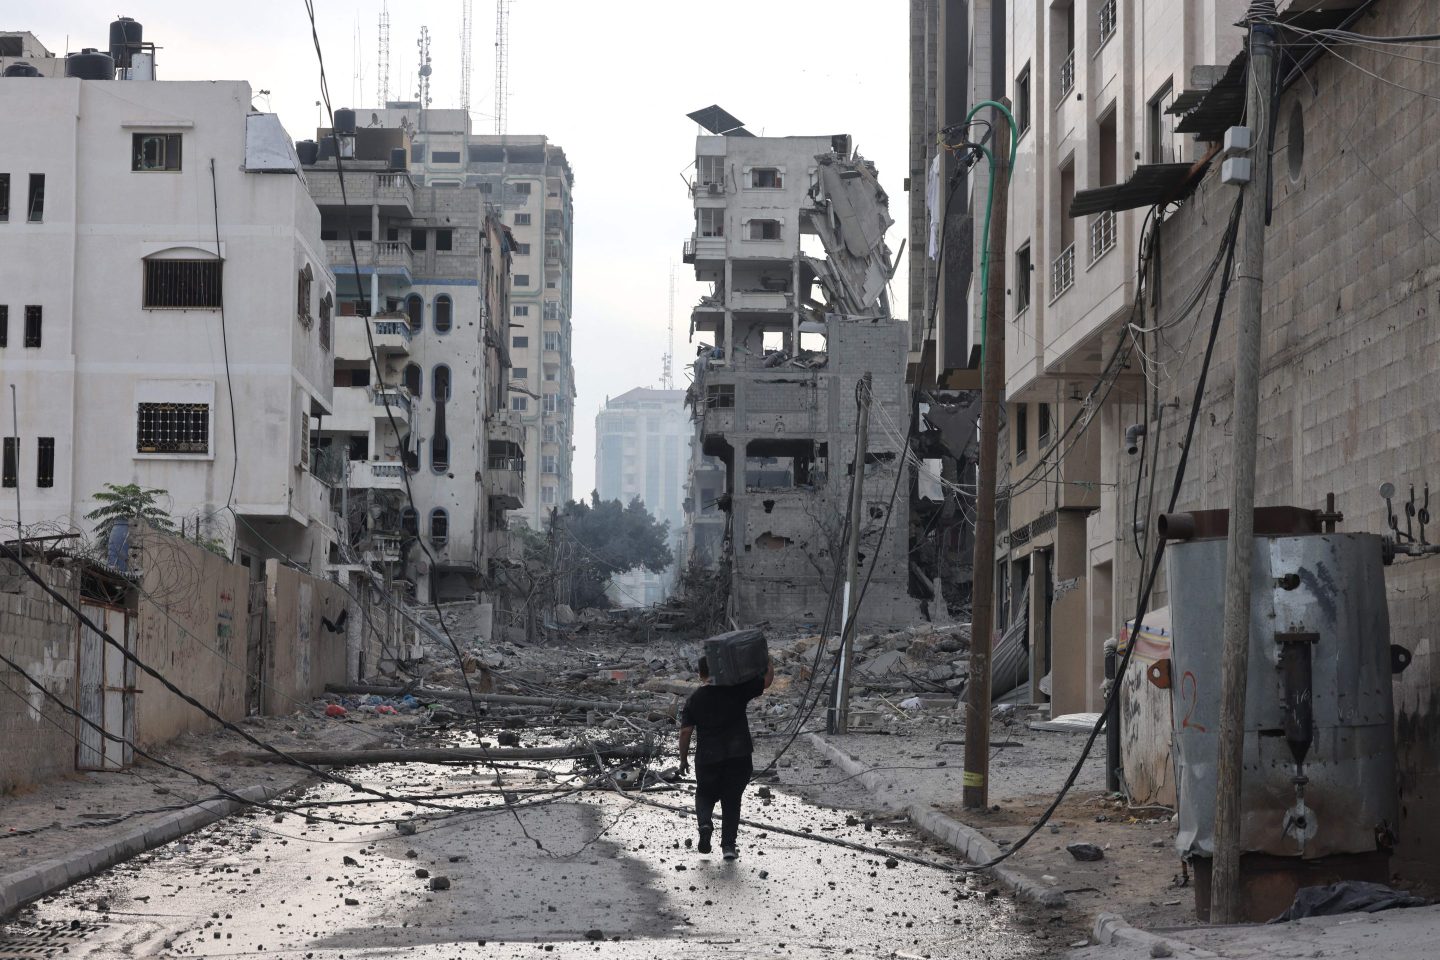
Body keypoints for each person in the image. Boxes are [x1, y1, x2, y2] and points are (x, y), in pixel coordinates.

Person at [677, 654, 774, 861]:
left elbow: (685, 732)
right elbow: (765, 682)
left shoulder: (694, 699)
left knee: (704, 795)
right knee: (732, 800)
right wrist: (767, 661)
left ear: (700, 674)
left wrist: (683, 759)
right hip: (739, 756)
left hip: (708, 758)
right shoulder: (736, 690)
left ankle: (705, 824)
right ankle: (728, 847)